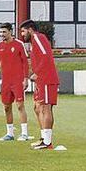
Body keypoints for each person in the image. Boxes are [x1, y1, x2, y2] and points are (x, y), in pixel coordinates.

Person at [19, 20, 59, 150]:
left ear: (30, 30)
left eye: (23, 31)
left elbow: (46, 56)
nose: (22, 34)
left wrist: (37, 72)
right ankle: (44, 138)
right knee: (37, 108)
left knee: (45, 108)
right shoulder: (33, 42)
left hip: (47, 79)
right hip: (41, 80)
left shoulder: (38, 38)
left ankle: (47, 142)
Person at [0, 22, 30, 141]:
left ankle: (24, 133)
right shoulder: (0, 46)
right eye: (1, 32)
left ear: (10, 32)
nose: (2, 34)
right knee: (7, 107)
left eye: (4, 32)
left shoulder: (19, 44)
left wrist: (26, 78)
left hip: (17, 81)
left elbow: (25, 62)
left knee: (20, 105)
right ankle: (10, 133)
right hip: (6, 82)